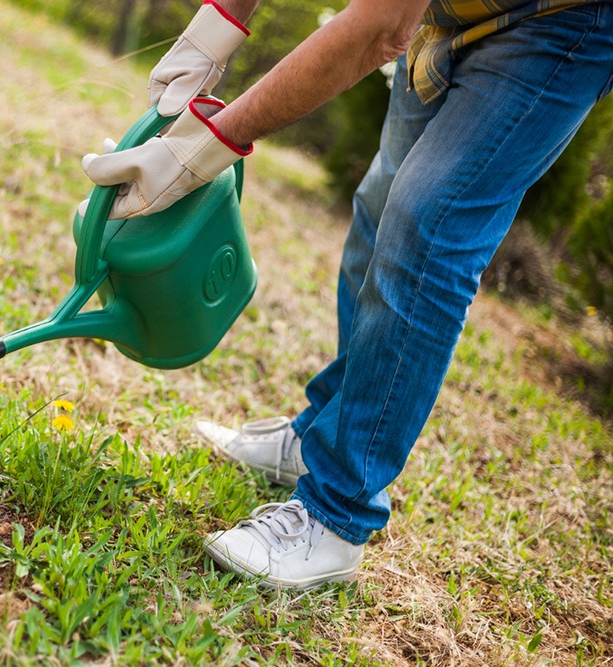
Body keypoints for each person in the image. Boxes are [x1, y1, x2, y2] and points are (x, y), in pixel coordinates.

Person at [82, 0, 613, 590]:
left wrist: (204, 149)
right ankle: (321, 437)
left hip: (560, 20)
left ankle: (338, 512)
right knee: (381, 204)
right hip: (452, 12)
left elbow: (379, 28)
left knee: (427, 226)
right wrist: (209, 36)